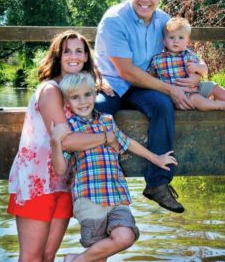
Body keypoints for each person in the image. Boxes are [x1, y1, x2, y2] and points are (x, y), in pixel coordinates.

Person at [7, 30, 116, 262]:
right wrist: (108, 137)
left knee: (48, 255)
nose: (73, 56)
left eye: (79, 51)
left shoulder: (77, 90)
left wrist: (101, 84)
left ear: (87, 56)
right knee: (32, 257)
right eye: (67, 52)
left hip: (64, 180)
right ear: (58, 56)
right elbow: (65, 140)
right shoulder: (50, 90)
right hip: (36, 182)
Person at [95, 0, 196, 213]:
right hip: (113, 82)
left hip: (145, 84)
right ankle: (99, 182)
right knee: (97, 110)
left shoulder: (164, 21)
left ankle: (158, 184)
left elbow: (181, 51)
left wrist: (196, 75)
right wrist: (170, 88)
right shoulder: (114, 19)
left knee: (162, 105)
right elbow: (126, 72)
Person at [50, 72, 178, 262]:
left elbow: (128, 142)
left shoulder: (107, 121)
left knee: (126, 236)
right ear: (67, 103)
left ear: (95, 95)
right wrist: (55, 141)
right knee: (99, 256)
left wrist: (156, 158)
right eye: (75, 97)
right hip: (89, 198)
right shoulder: (70, 128)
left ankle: (75, 260)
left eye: (87, 94)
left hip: (115, 194)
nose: (83, 101)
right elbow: (60, 169)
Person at [148, 17, 225, 114]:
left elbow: (204, 69)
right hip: (180, 95)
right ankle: (222, 105)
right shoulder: (157, 59)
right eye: (171, 37)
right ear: (164, 41)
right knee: (197, 100)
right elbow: (150, 77)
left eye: (180, 37)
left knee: (212, 85)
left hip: (195, 87)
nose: (176, 41)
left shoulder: (189, 55)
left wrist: (197, 67)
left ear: (187, 41)